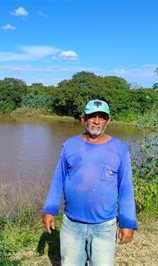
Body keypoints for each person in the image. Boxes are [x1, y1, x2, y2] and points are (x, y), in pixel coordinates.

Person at [42, 99, 137, 265]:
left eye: (102, 117)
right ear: (83, 118)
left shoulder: (119, 148)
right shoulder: (70, 145)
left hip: (104, 226)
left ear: (108, 120)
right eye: (92, 116)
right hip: (72, 224)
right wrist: (50, 210)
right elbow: (58, 180)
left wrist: (127, 223)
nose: (97, 121)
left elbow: (126, 188)